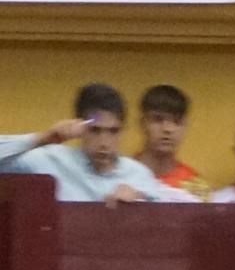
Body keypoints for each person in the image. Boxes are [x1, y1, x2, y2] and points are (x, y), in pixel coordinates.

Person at [0, 83, 165, 204]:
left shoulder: (139, 175)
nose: (104, 143)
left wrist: (139, 204)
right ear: (80, 127)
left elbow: (164, 225)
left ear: (123, 130)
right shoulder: (51, 161)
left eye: (113, 131)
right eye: (95, 130)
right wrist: (43, 138)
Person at [134, 84, 209, 202]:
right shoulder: (121, 174)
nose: (167, 129)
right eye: (158, 119)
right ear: (142, 123)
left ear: (185, 126)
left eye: (176, 121)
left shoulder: (195, 186)